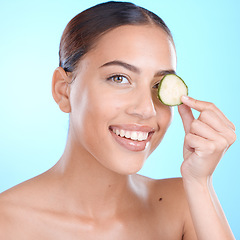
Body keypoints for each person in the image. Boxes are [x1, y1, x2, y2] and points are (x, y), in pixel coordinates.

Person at [0, 1, 236, 239]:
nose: (147, 110)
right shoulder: (7, 221)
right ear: (63, 90)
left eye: (158, 85)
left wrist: (199, 183)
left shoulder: (186, 204)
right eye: (118, 78)